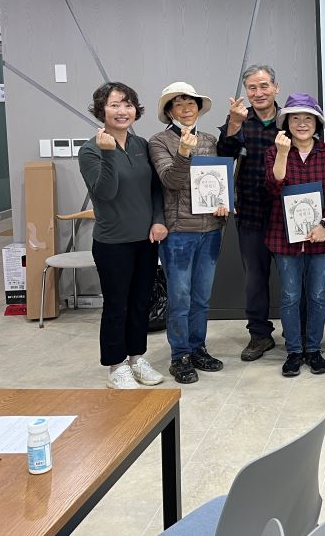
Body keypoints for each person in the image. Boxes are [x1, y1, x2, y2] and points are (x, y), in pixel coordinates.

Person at [78, 82, 167, 389]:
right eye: (114, 104)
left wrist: (158, 220)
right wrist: (108, 154)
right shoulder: (90, 150)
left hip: (146, 240)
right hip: (112, 242)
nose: (122, 111)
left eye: (127, 104)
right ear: (101, 110)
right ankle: (116, 366)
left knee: (141, 302)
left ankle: (137, 358)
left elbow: (155, 189)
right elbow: (105, 192)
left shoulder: (141, 144)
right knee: (118, 306)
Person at [217, 64, 299, 363]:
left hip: (288, 214)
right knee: (255, 279)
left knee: (294, 279)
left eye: (264, 86)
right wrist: (234, 125)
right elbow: (223, 157)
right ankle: (260, 334)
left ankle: (296, 332)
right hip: (251, 213)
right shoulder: (238, 119)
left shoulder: (292, 120)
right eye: (252, 88)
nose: (259, 92)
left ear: (276, 87)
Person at [148, 82, 228, 385]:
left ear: (198, 108)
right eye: (178, 104)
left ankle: (198, 348)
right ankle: (179, 355)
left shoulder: (209, 140)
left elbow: (217, 181)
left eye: (190, 103)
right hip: (179, 232)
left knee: (202, 297)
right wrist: (183, 152)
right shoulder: (159, 141)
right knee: (180, 298)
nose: (185, 109)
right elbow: (170, 180)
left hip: (211, 230)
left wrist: (222, 203)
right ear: (170, 111)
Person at [265, 93, 325, 377]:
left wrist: (324, 224)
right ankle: (294, 351)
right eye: (295, 118)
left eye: (308, 118)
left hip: (321, 235)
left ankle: (314, 349)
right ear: (286, 122)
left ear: (316, 123)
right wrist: (282, 153)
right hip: (284, 236)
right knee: (289, 296)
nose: (301, 123)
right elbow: (274, 186)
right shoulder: (274, 151)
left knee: (317, 295)